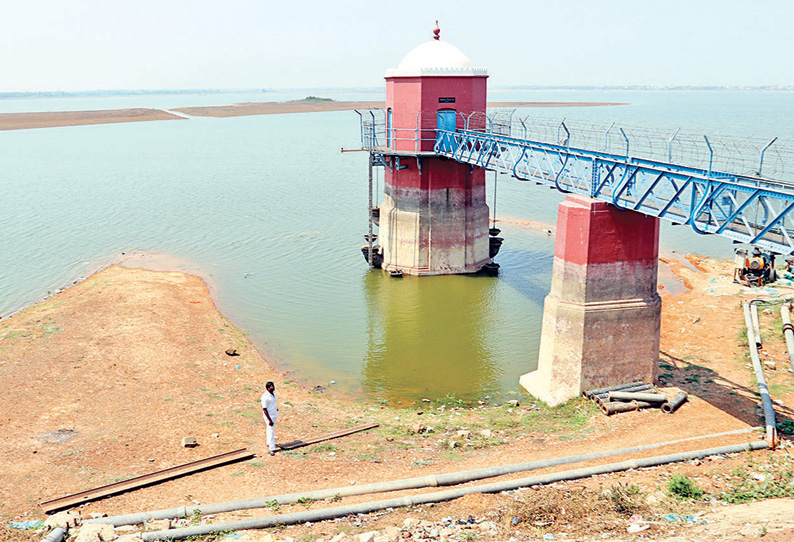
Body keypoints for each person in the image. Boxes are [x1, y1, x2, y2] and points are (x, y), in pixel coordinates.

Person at [261, 381, 279, 456]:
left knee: (270, 429)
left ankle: (269, 442)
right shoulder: (265, 397)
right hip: (269, 416)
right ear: (268, 388)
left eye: (273, 386)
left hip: (274, 414)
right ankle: (271, 448)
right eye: (272, 386)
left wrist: (276, 408)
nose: (273, 387)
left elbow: (273, 403)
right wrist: (269, 420)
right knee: (271, 431)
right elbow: (264, 409)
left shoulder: (273, 393)